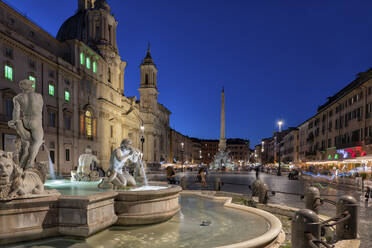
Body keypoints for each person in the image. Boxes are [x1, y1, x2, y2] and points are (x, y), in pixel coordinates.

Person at [8, 79, 43, 170]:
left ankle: (20, 167)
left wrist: (15, 121)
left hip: (24, 122)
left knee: (26, 145)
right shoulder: (38, 96)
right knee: (37, 141)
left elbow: (16, 113)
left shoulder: (17, 98)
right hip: (36, 122)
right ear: (31, 86)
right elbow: (39, 110)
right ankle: (30, 162)